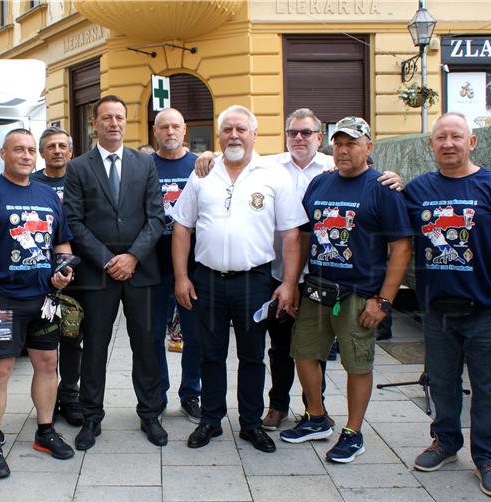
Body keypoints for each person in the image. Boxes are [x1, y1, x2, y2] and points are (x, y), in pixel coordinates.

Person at [194, 109, 403, 431]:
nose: (299, 138)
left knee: (334, 355)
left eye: (307, 133)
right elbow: (301, 232)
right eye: (293, 133)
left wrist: (385, 299)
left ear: (319, 138)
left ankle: (324, 415)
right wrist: (208, 154)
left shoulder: (342, 172)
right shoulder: (276, 167)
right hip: (284, 278)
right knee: (287, 349)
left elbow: (399, 240)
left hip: (343, 285)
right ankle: (284, 408)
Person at [404, 112, 491, 497]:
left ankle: (489, 458)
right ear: (431, 145)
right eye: (441, 137)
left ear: (471, 142)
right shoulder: (418, 190)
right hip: (437, 310)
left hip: (487, 310)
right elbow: (392, 221)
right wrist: (391, 183)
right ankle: (445, 442)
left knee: (489, 388)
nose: (448, 143)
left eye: (456, 136)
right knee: (442, 383)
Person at [171, 105, 307, 453]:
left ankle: (250, 423)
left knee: (251, 356)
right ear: (219, 136)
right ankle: (211, 420)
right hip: (208, 280)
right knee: (210, 354)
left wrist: (288, 284)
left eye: (241, 129)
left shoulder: (274, 174)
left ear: (254, 135)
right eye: (227, 129)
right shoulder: (202, 173)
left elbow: (291, 234)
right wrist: (182, 277)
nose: (234, 135)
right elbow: (182, 227)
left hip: (255, 281)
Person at [280, 117, 412, 464]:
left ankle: (353, 432)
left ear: (369, 146)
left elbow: (401, 247)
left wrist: (384, 300)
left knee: (357, 363)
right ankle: (316, 417)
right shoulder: (320, 184)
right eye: (338, 143)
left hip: (359, 294)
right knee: (304, 352)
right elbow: (306, 235)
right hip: (317, 289)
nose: (343, 150)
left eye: (351, 143)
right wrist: (293, 283)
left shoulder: (382, 187)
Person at [0, 128, 76, 478]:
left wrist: (63, 271)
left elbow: (62, 245)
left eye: (30, 150)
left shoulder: (48, 196)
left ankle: (45, 430)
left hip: (43, 300)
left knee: (48, 362)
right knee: (0, 370)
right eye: (18, 149)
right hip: (0, 300)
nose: (26, 155)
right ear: (3, 153)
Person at [63, 95, 167, 450]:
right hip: (97, 273)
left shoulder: (144, 164)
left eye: (119, 117)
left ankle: (150, 414)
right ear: (94, 123)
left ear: (126, 121)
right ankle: (91, 417)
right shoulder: (78, 167)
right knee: (94, 347)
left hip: (142, 271)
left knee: (147, 345)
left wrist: (133, 256)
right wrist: (109, 259)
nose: (113, 123)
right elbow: (73, 221)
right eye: (106, 117)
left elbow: (157, 217)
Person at [30, 126, 84, 426]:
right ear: (42, 152)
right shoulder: (32, 182)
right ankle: (47, 398)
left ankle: (70, 394)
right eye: (51, 146)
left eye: (63, 145)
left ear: (71, 151)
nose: (57, 151)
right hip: (39, 273)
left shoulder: (80, 178)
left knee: (73, 336)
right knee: (44, 340)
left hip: (77, 271)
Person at [150, 108, 201, 422]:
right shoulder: (143, 167)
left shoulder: (200, 165)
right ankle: (157, 394)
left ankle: (191, 393)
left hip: (193, 266)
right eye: (164, 127)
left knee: (194, 335)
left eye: (175, 126)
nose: (170, 131)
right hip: (153, 265)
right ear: (155, 132)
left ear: (185, 130)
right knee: (153, 335)